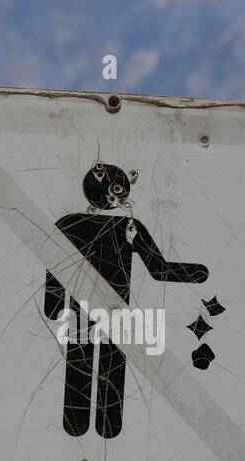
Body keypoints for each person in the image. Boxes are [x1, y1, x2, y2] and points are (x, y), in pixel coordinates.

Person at [44, 162, 208, 438]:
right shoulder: (127, 225)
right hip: (114, 310)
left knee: (81, 361)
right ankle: (103, 427)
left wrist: (54, 305)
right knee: (106, 363)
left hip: (83, 311)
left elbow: (54, 268)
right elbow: (159, 268)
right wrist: (196, 273)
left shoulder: (70, 223)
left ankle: (80, 425)